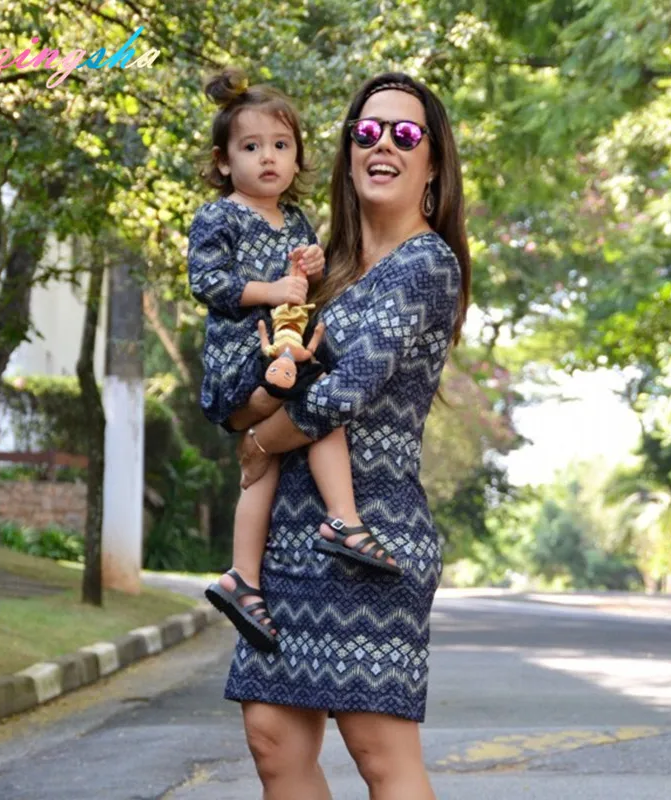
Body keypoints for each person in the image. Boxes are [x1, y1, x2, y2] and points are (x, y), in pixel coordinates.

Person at [225, 72, 471, 800]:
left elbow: (342, 392)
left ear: (432, 162)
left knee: (378, 752)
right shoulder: (320, 270)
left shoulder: (428, 265)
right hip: (288, 531)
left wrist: (262, 442)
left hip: (370, 534)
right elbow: (260, 379)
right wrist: (252, 411)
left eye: (405, 133)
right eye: (366, 132)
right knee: (272, 741)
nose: (383, 144)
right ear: (347, 153)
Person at [188, 69, 401, 656]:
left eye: (281, 146)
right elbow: (208, 283)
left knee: (274, 456)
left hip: (287, 348)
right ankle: (342, 518)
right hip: (241, 356)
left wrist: (306, 268)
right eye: (251, 147)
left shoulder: (298, 221)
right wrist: (275, 290)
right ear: (225, 160)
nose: (268, 158)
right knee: (312, 404)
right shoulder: (220, 216)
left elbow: (302, 289)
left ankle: (244, 576)